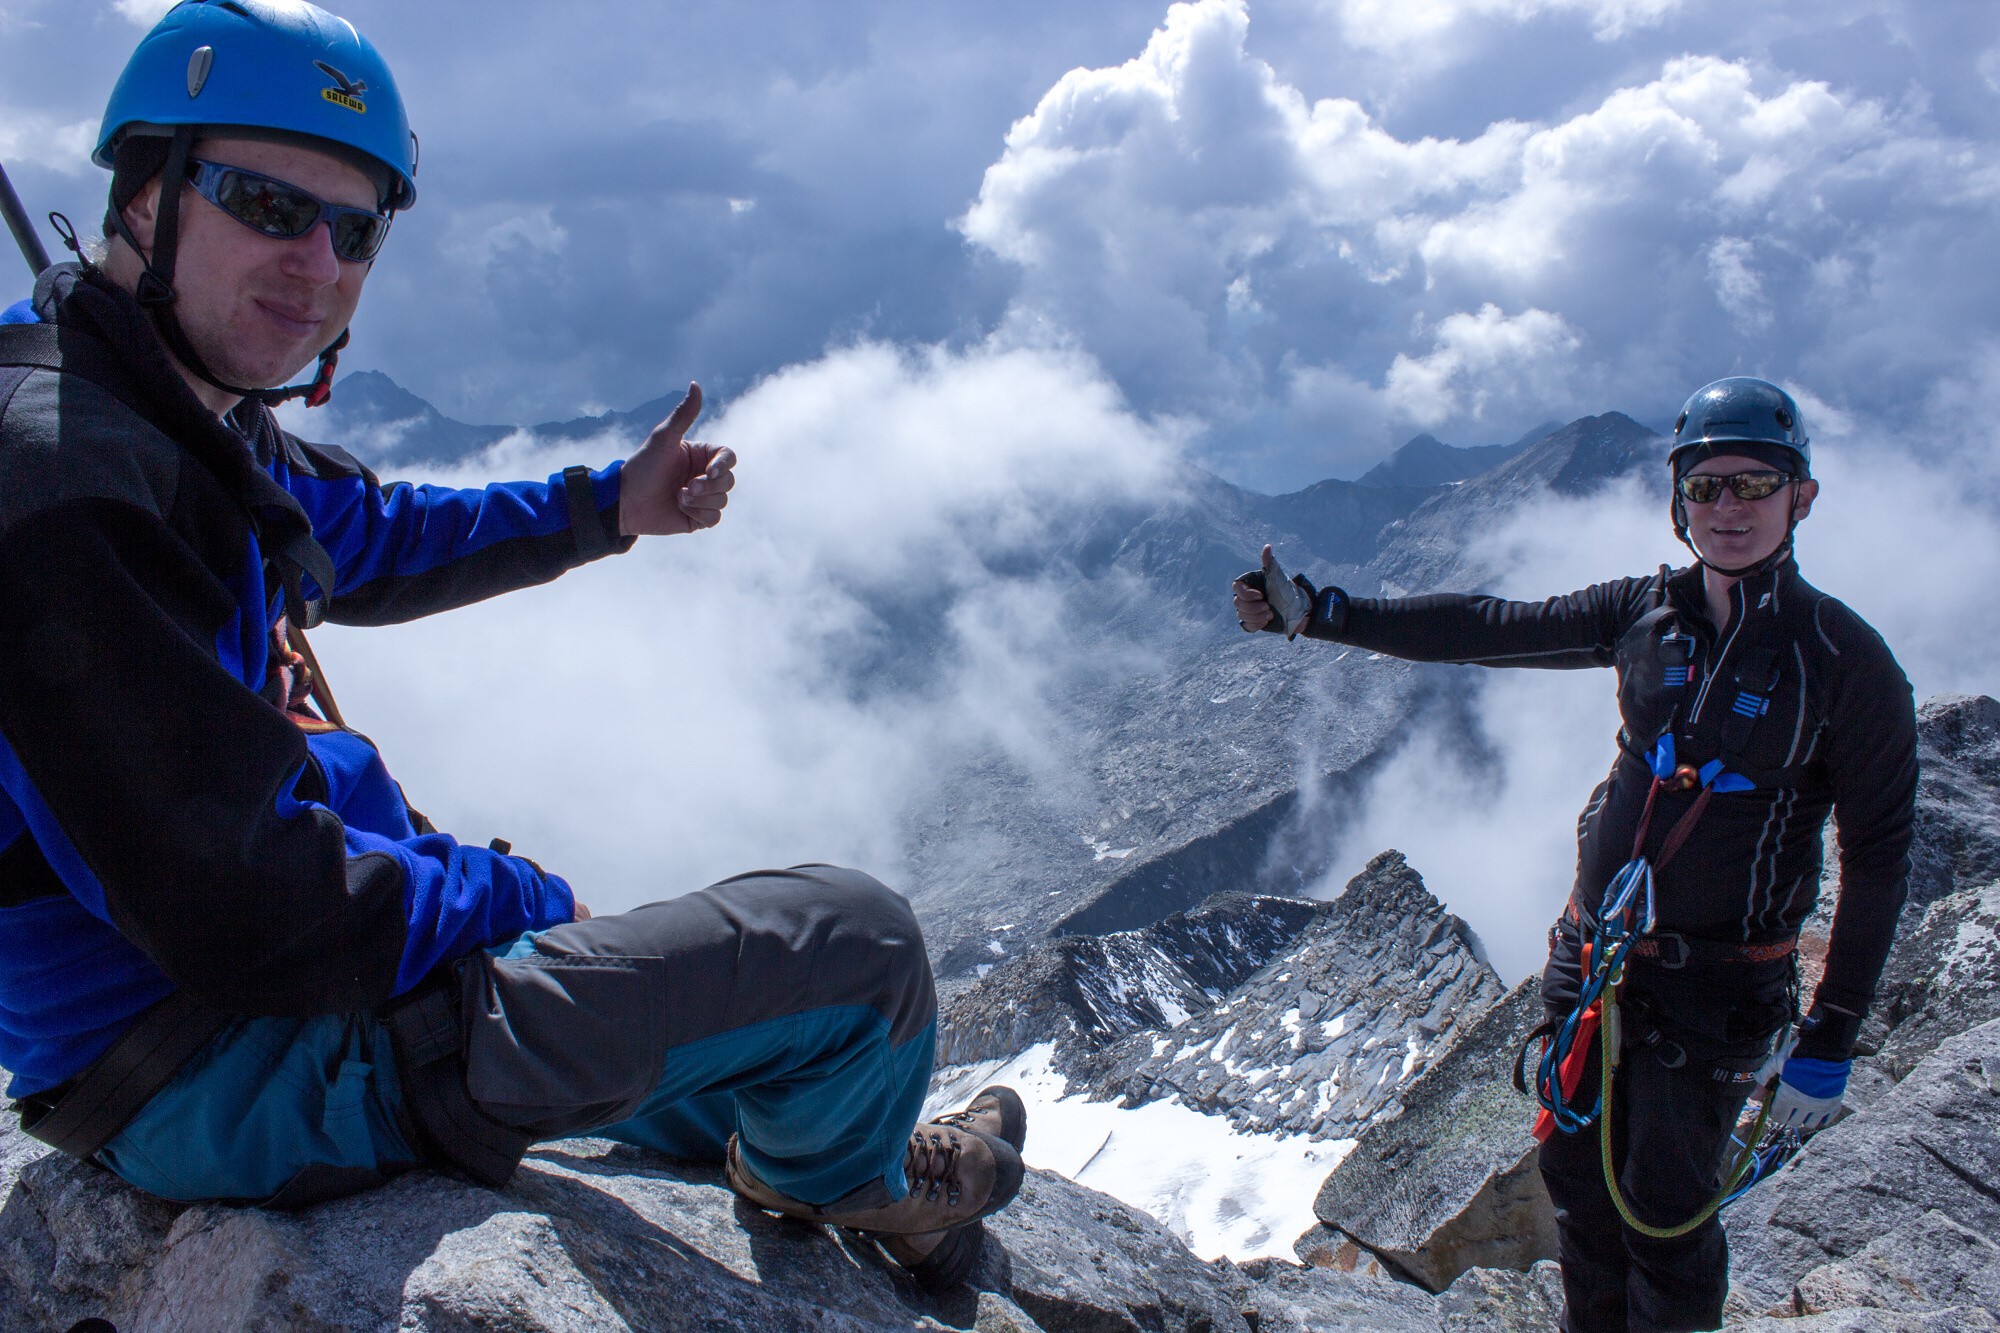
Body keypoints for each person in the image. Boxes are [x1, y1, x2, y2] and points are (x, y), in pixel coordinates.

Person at [0, 0, 1022, 1290]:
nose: (315, 264)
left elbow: (362, 535)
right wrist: (509, 899)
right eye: (266, 204)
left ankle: (793, 1115)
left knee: (688, 997)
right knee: (861, 950)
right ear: (146, 195)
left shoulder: (178, 423)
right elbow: (250, 915)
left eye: (353, 229)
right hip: (227, 1062)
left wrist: (608, 509)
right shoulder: (71, 484)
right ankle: (863, 1184)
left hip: (231, 1018)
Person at [1232, 377, 1916, 1332]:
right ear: (1677, 498)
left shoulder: (1847, 664)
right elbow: (1490, 628)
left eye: (1755, 484)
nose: (1729, 508)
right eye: (1706, 485)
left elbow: (1879, 856)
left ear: (1802, 496)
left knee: (1666, 1218)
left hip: (1718, 992)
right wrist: (1324, 613)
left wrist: (1830, 1040)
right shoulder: (1648, 611)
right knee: (1582, 1200)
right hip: (1592, 966)